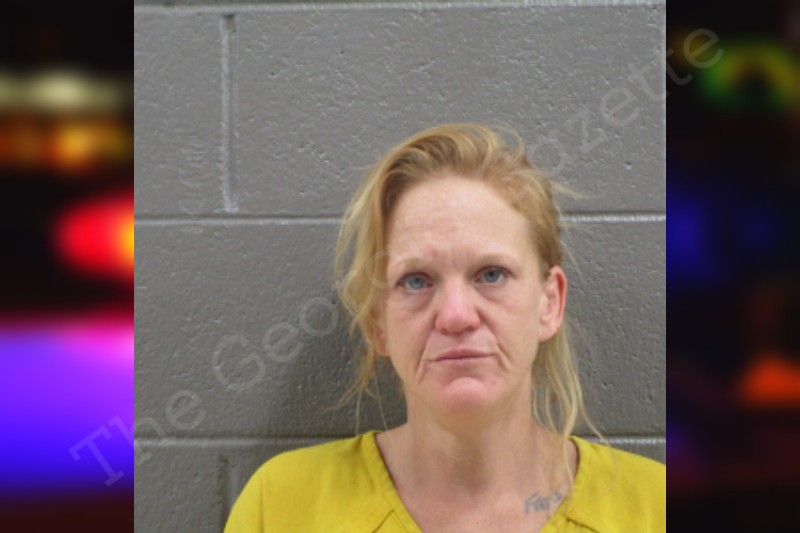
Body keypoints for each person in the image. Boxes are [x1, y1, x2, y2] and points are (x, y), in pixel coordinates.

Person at [224, 124, 665, 532]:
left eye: (491, 274)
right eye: (416, 281)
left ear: (550, 303)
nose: (456, 315)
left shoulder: (655, 507)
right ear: (378, 321)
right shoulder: (282, 505)